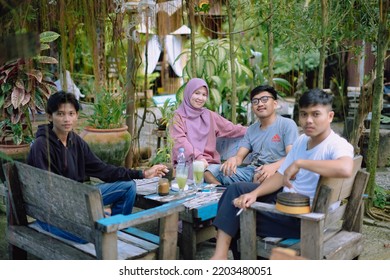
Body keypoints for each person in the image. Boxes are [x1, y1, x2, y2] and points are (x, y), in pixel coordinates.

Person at [210, 88, 354, 260]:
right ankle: (221, 256)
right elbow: (279, 176)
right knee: (236, 190)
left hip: (305, 218)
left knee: (235, 215)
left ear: (330, 116)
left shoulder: (337, 144)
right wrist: (254, 193)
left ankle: (227, 258)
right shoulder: (302, 141)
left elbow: (345, 168)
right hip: (289, 202)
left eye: (316, 114)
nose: (308, 120)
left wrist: (300, 163)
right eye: (303, 114)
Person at [28, 91, 168, 243]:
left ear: (76, 116)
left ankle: (115, 230)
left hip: (77, 199)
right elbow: (46, 193)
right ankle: (102, 231)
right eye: (60, 114)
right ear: (50, 117)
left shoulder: (75, 141)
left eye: (71, 113)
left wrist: (143, 173)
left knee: (128, 187)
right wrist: (82, 213)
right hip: (52, 213)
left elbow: (103, 170)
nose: (66, 119)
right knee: (87, 235)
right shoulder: (41, 146)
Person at [205, 85, 299, 185]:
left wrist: (274, 167)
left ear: (275, 104)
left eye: (264, 99)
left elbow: (292, 156)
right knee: (209, 171)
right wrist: (233, 160)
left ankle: (240, 190)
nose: (260, 104)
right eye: (255, 101)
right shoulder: (251, 129)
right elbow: (239, 158)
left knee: (261, 179)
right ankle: (223, 191)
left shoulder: (287, 125)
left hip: (276, 173)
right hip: (251, 172)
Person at [170, 78, 247, 172]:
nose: (200, 98)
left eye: (204, 95)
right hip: (187, 163)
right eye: (197, 93)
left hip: (210, 164)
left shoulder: (209, 115)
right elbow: (180, 141)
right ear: (188, 93)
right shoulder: (178, 116)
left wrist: (254, 129)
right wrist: (198, 157)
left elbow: (231, 129)